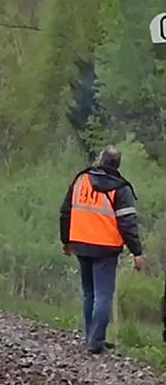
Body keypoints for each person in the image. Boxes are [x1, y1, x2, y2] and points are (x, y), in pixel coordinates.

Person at [60, 145, 144, 355]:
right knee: (103, 295)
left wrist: (66, 241)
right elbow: (128, 224)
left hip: (80, 243)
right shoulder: (121, 188)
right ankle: (96, 342)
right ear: (117, 165)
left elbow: (65, 212)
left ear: (100, 159)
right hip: (106, 248)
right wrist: (137, 252)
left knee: (89, 294)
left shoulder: (81, 179)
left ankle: (90, 337)